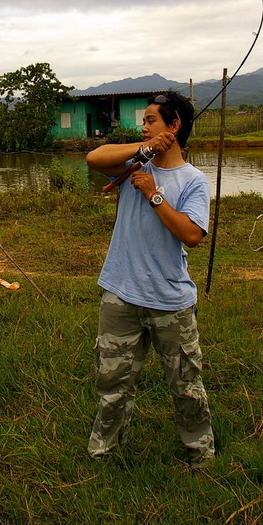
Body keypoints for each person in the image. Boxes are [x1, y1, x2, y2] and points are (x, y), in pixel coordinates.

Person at [86, 91, 215, 469]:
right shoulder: (132, 163)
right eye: (143, 121)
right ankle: (102, 452)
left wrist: (153, 195)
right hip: (120, 294)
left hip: (170, 301)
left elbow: (191, 234)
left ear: (174, 127)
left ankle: (200, 455)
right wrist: (144, 146)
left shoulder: (194, 180)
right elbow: (94, 159)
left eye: (152, 120)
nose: (143, 126)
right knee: (112, 383)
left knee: (186, 386)